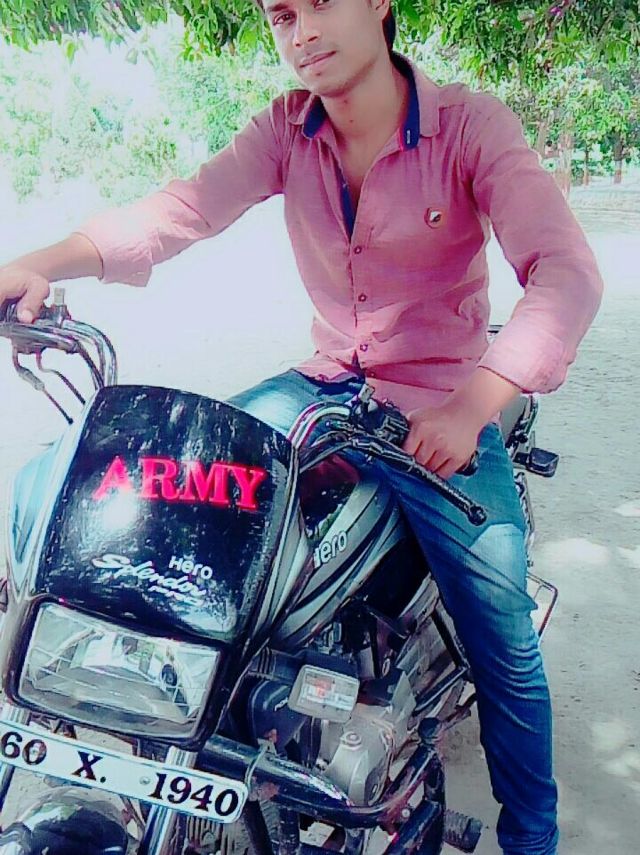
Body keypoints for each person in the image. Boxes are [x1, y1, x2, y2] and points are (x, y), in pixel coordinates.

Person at [0, 1, 603, 852]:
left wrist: (476, 404)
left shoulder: (470, 126)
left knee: (502, 633)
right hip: (322, 386)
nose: (301, 32)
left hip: (442, 398)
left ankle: (533, 835)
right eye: (282, 15)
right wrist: (37, 262)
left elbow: (566, 273)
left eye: (320, 2)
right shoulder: (288, 129)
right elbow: (178, 211)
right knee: (182, 504)